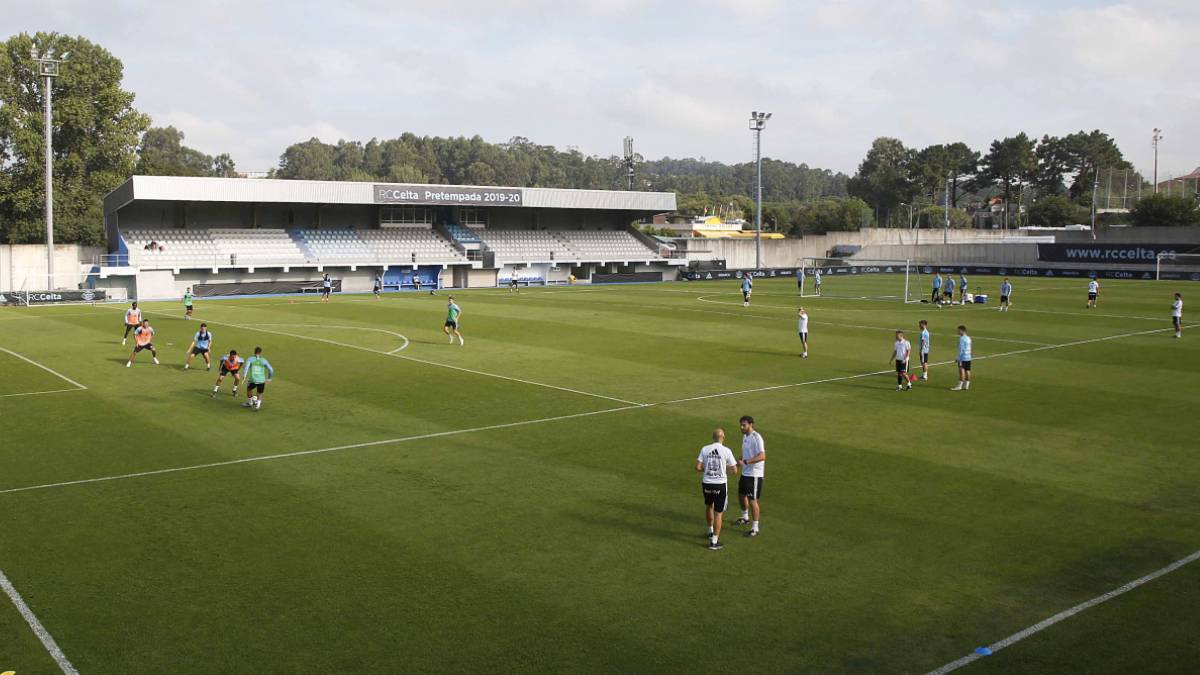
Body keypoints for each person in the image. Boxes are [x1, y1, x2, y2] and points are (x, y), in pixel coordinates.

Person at [696, 428, 738, 551]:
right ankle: (714, 541)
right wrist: (723, 470)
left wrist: (708, 470)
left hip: (707, 483)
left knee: (709, 506)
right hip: (720, 485)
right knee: (718, 512)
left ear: (713, 437)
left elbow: (698, 467)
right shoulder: (726, 451)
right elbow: (734, 470)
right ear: (723, 437)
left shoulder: (705, 449)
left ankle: (710, 531)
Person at [734, 415, 766, 537]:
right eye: (741, 425)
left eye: (744, 425)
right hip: (745, 473)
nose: (741, 427)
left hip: (755, 475)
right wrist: (739, 461)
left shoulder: (756, 438)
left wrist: (746, 462)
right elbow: (746, 454)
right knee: (741, 495)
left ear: (751, 424)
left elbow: (762, 456)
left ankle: (755, 528)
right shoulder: (745, 437)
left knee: (753, 500)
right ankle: (745, 517)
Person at [242, 347, 274, 411]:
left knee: (249, 389)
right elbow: (271, 370)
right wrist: (269, 378)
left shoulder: (250, 359)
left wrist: (244, 376)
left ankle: (250, 402)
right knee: (259, 393)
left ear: (254, 352)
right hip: (261, 380)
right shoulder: (264, 360)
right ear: (260, 352)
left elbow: (246, 368)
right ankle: (257, 406)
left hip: (253, 380)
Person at [952, 325, 972, 391]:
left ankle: (959, 386)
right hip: (968, 357)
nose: (958, 332)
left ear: (962, 331)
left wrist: (958, 358)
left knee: (961, 371)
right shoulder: (969, 338)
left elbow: (961, 349)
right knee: (968, 371)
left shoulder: (962, 338)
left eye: (958, 330)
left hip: (963, 358)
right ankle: (966, 386)